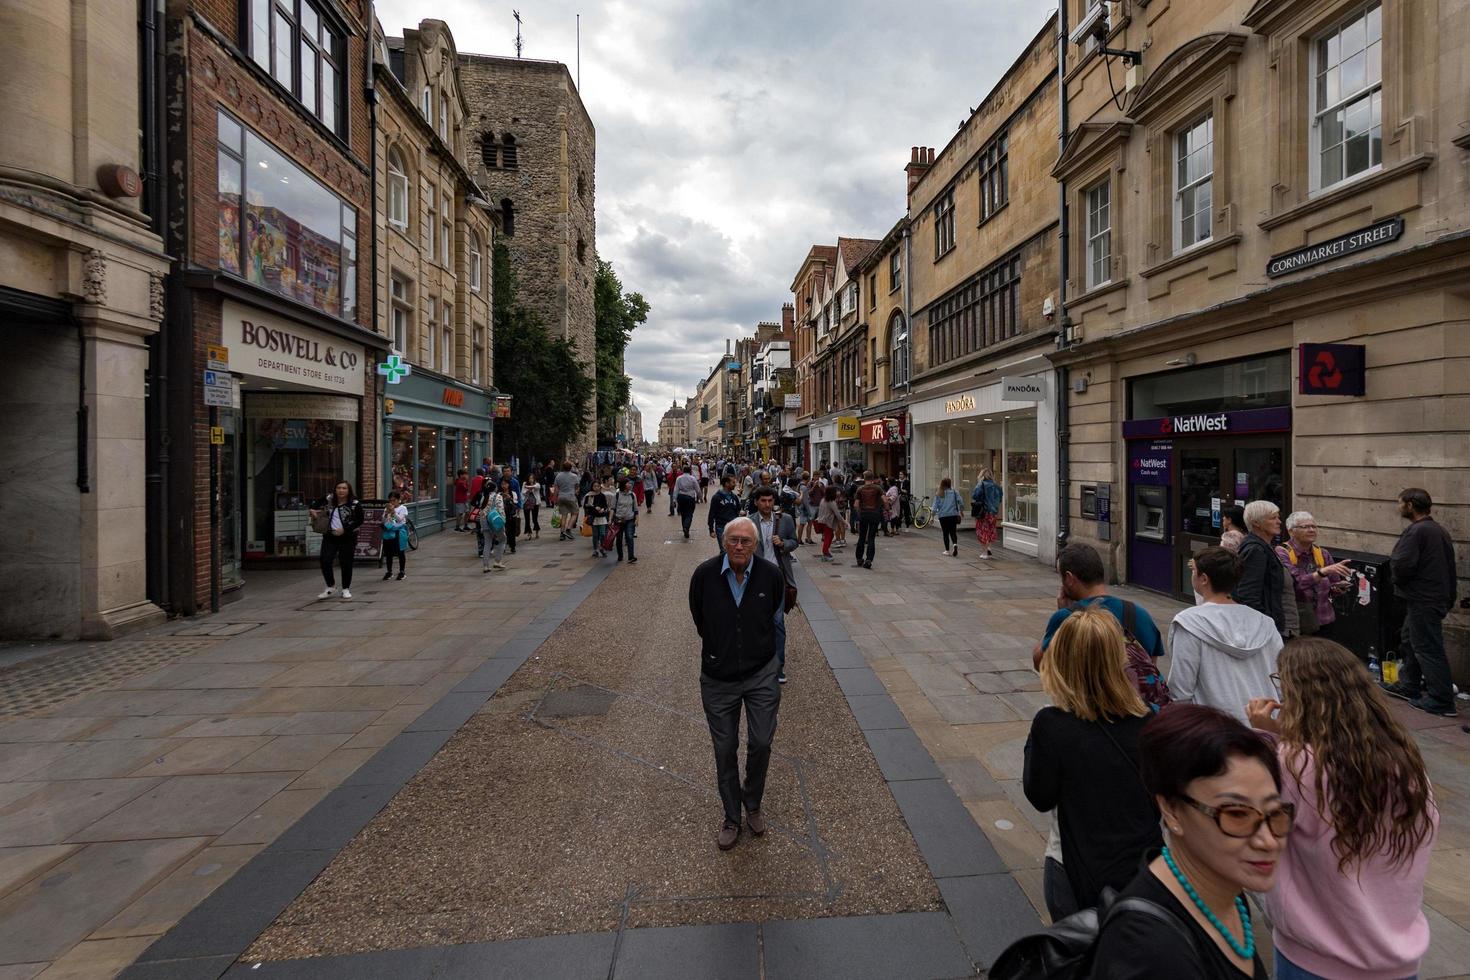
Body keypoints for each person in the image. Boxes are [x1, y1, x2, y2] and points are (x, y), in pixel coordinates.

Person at [1245, 638, 1438, 980]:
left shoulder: (1294, 764)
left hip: (1315, 959)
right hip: (1399, 960)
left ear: (1299, 696)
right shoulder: (1404, 762)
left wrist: (1265, 735)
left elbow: (1254, 829)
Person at [1090, 704, 1287, 979]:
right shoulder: (1149, 951)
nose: (1268, 840)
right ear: (1171, 810)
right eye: (1236, 814)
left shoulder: (1226, 893)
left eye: (1275, 812)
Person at [1024, 606, 1163, 919]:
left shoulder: (1052, 724)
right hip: (1143, 874)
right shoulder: (1150, 723)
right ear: (1120, 660)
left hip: (1073, 870)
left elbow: (1040, 796)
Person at [688, 517, 785, 850]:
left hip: (761, 673)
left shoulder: (771, 575)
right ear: (723, 542)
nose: (739, 546)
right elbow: (700, 618)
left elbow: (773, 611)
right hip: (718, 678)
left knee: (761, 742)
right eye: (733, 540)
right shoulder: (704, 575)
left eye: (746, 541)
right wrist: (721, 649)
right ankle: (732, 815)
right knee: (724, 748)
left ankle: (752, 803)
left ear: (756, 545)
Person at [1169, 547, 1282, 723]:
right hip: (1264, 723)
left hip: (1215, 729)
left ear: (1204, 579)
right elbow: (1280, 677)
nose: (1192, 576)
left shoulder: (1189, 623)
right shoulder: (1265, 622)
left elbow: (1181, 687)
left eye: (1194, 571)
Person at [1381, 488, 1459, 717]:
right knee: (1409, 639)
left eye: (1400, 503)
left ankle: (1441, 699)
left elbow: (1402, 564)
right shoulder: (1436, 530)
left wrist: (1397, 581)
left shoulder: (1418, 532)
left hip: (1424, 598)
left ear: (1410, 505)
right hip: (1431, 598)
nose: (1399, 508)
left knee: (1427, 647)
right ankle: (1409, 684)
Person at [1033, 543, 1166, 675]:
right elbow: (1151, 666)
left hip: (1086, 696)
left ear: (1069, 578)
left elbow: (1041, 664)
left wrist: (1060, 617)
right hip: (1133, 696)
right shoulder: (1140, 614)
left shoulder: (1066, 618)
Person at [1275, 511, 1352, 639]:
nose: (1311, 530)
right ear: (1291, 531)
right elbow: (1296, 583)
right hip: (1298, 622)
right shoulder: (1282, 552)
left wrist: (1338, 588)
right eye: (1305, 527)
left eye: (1314, 526)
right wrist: (1322, 572)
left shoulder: (1322, 553)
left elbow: (1333, 585)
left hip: (1325, 619)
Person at [751, 485, 799, 685]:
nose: (767, 504)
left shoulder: (785, 520)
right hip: (755, 578)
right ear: (756, 502)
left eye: (770, 501)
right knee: (756, 621)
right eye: (763, 501)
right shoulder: (749, 522)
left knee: (777, 622)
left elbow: (794, 542)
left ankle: (778, 666)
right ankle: (756, 662)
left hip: (778, 577)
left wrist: (784, 544)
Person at [1232, 500, 1286, 637]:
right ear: (1256, 523)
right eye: (1273, 518)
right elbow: (1248, 594)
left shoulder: (1264, 546)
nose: (1279, 521)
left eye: (1278, 517)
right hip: (1261, 628)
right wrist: (1262, 625)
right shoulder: (1256, 549)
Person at [310, 481, 364, 600]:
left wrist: (345, 529)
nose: (341, 490)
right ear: (335, 490)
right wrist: (313, 510)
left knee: (346, 563)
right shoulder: (329, 499)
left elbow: (359, 520)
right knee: (325, 560)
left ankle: (346, 589)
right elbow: (314, 504)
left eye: (344, 488)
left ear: (349, 490)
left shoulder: (355, 504)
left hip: (348, 537)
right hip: (330, 536)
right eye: (339, 488)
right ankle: (331, 586)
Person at [852, 470, 884, 570]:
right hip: (874, 514)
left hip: (864, 514)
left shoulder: (860, 489)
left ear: (864, 478)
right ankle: (869, 559)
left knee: (862, 537)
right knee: (871, 538)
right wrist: (887, 509)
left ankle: (859, 558)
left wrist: (859, 513)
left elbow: (856, 504)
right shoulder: (878, 488)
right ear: (873, 478)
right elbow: (885, 499)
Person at [473, 478, 507, 572]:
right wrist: (503, 520)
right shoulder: (498, 496)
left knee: (487, 543)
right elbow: (501, 510)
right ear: (495, 488)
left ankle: (486, 566)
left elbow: (481, 510)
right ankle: (498, 561)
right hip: (495, 521)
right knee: (503, 539)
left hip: (484, 521)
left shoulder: (484, 496)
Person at [971, 467, 1003, 559]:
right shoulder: (997, 486)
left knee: (982, 531)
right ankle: (989, 548)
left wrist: (979, 484)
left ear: (981, 475)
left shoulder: (981, 484)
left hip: (984, 512)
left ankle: (984, 553)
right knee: (991, 530)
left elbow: (975, 495)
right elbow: (1000, 498)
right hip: (994, 512)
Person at [708, 474, 743, 551]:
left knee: (733, 549)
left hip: (733, 527)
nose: (735, 484)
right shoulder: (716, 497)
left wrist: (741, 512)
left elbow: (738, 509)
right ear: (726, 484)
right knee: (724, 549)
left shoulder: (734, 497)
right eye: (733, 482)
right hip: (721, 527)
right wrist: (711, 529)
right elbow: (712, 513)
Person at [381, 490, 409, 581]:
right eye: (390, 500)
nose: (392, 502)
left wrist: (393, 512)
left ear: (398, 500)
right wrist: (386, 513)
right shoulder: (386, 509)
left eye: (394, 500)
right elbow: (384, 521)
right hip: (388, 532)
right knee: (388, 553)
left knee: (400, 552)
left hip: (398, 533)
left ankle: (402, 571)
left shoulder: (403, 508)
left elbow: (400, 520)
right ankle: (389, 572)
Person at [612, 476, 639, 563]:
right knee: (619, 538)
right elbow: (613, 508)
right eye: (628, 483)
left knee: (629, 537)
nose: (630, 484)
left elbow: (635, 508)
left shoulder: (632, 495)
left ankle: (631, 556)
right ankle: (620, 555)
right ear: (623, 485)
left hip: (630, 519)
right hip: (619, 519)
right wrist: (610, 519)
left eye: (630, 483)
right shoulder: (617, 495)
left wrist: (637, 519)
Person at [933, 477, 962, 557]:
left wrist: (932, 516)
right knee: (953, 532)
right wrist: (961, 511)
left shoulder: (939, 493)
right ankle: (955, 544)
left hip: (943, 516)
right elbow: (961, 502)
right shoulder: (954, 492)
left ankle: (947, 550)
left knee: (945, 533)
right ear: (950, 484)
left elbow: (935, 506)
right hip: (953, 515)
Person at [553, 462, 581, 541]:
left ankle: (562, 533)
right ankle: (568, 529)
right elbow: (577, 487)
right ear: (571, 468)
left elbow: (556, 489)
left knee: (564, 515)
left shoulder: (558, 476)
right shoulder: (574, 476)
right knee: (575, 513)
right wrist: (576, 492)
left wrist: (555, 499)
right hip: (571, 496)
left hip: (561, 497)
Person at [583, 478, 610, 558]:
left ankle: (602, 547)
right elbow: (585, 505)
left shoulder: (602, 495)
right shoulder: (589, 495)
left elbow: (605, 506)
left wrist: (602, 509)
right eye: (595, 486)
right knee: (595, 535)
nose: (596, 488)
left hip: (602, 518)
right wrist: (594, 507)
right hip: (593, 518)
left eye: (598, 486)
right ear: (592, 487)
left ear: (600, 487)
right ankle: (595, 549)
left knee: (602, 534)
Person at [814, 485, 840, 562]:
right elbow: (837, 514)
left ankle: (826, 552)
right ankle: (825, 553)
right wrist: (845, 522)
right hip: (827, 522)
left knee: (829, 536)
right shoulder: (831, 502)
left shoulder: (823, 500)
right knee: (828, 537)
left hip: (822, 521)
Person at [674, 465, 700, 539]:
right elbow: (697, 489)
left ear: (683, 470)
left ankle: (685, 528)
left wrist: (674, 500)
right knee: (689, 514)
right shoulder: (693, 478)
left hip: (681, 497)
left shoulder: (679, 478)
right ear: (690, 471)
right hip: (690, 497)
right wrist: (700, 497)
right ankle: (686, 527)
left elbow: (676, 489)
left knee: (683, 514)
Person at [499, 478, 520, 556]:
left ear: (508, 485)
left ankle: (512, 546)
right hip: (502, 514)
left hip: (511, 514)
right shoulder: (499, 494)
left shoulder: (513, 493)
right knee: (503, 531)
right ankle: (503, 546)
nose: (504, 486)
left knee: (512, 531)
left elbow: (516, 503)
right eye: (502, 484)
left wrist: (509, 498)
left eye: (505, 484)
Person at [521, 471, 542, 540]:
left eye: (532, 478)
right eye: (530, 478)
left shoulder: (537, 484)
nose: (531, 479)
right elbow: (523, 492)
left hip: (535, 503)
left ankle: (537, 531)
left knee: (534, 518)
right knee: (527, 519)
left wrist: (530, 487)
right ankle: (528, 533)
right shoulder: (524, 483)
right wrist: (527, 490)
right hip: (526, 503)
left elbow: (537, 487)